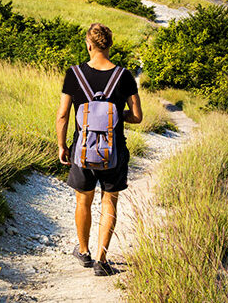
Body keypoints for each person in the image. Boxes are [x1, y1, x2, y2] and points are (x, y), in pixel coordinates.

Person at [55, 23, 142, 277]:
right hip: (114, 151)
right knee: (109, 201)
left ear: (89, 44)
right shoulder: (124, 76)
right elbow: (137, 116)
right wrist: (113, 116)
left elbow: (62, 116)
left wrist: (62, 146)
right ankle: (101, 260)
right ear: (110, 45)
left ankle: (83, 252)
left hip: (82, 150)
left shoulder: (74, 74)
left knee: (83, 200)